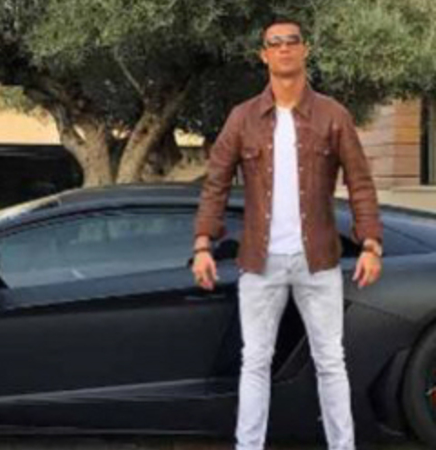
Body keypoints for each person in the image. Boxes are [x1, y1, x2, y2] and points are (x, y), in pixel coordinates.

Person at [191, 17, 383, 450]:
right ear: (264, 55)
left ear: (304, 49)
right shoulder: (243, 118)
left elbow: (360, 182)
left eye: (291, 41)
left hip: (319, 261)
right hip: (260, 263)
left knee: (330, 361)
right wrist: (203, 243)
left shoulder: (333, 114)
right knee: (255, 362)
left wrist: (371, 243)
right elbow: (215, 183)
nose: (283, 48)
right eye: (274, 43)